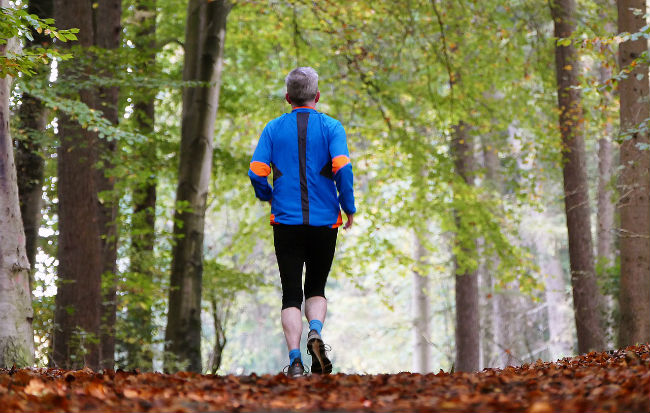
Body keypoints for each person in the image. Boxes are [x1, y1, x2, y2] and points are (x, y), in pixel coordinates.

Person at [248, 67, 356, 377]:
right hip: (325, 222)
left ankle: (295, 361)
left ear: (287, 97)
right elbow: (342, 169)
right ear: (317, 97)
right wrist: (348, 207)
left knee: (291, 294)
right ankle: (316, 332)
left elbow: (256, 171)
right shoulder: (332, 127)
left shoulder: (272, 129)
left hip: (286, 221)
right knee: (317, 288)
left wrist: (267, 195)